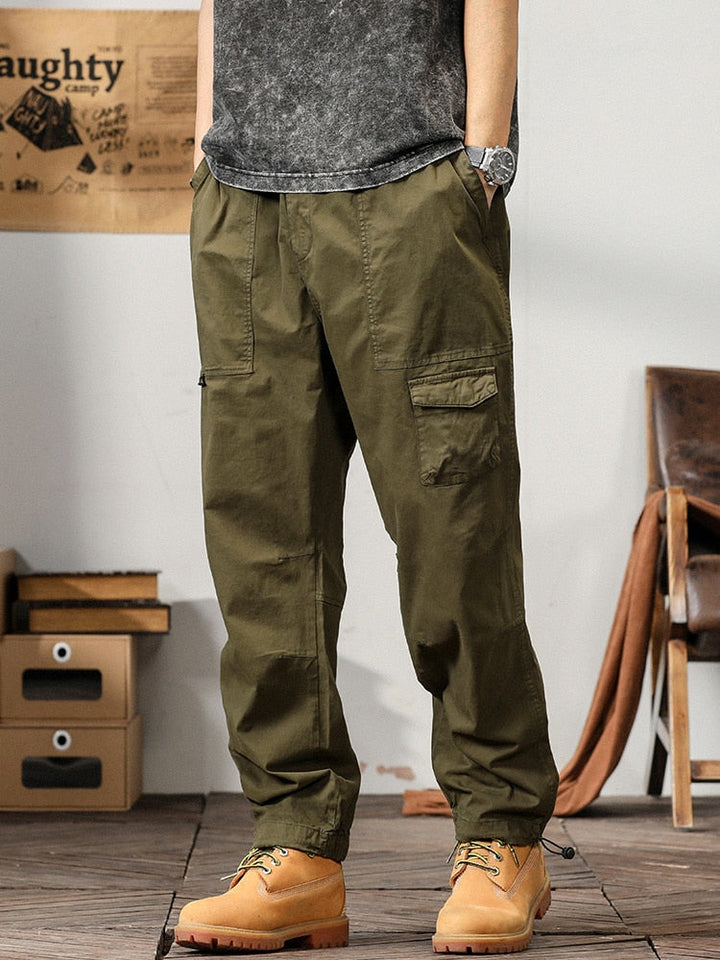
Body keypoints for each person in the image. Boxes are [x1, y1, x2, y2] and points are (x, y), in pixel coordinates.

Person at [175, 0, 559, 954]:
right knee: (261, 542)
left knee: (453, 528)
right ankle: (295, 846)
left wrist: (488, 151)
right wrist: (204, 148)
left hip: (412, 185)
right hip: (242, 197)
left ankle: (501, 835)